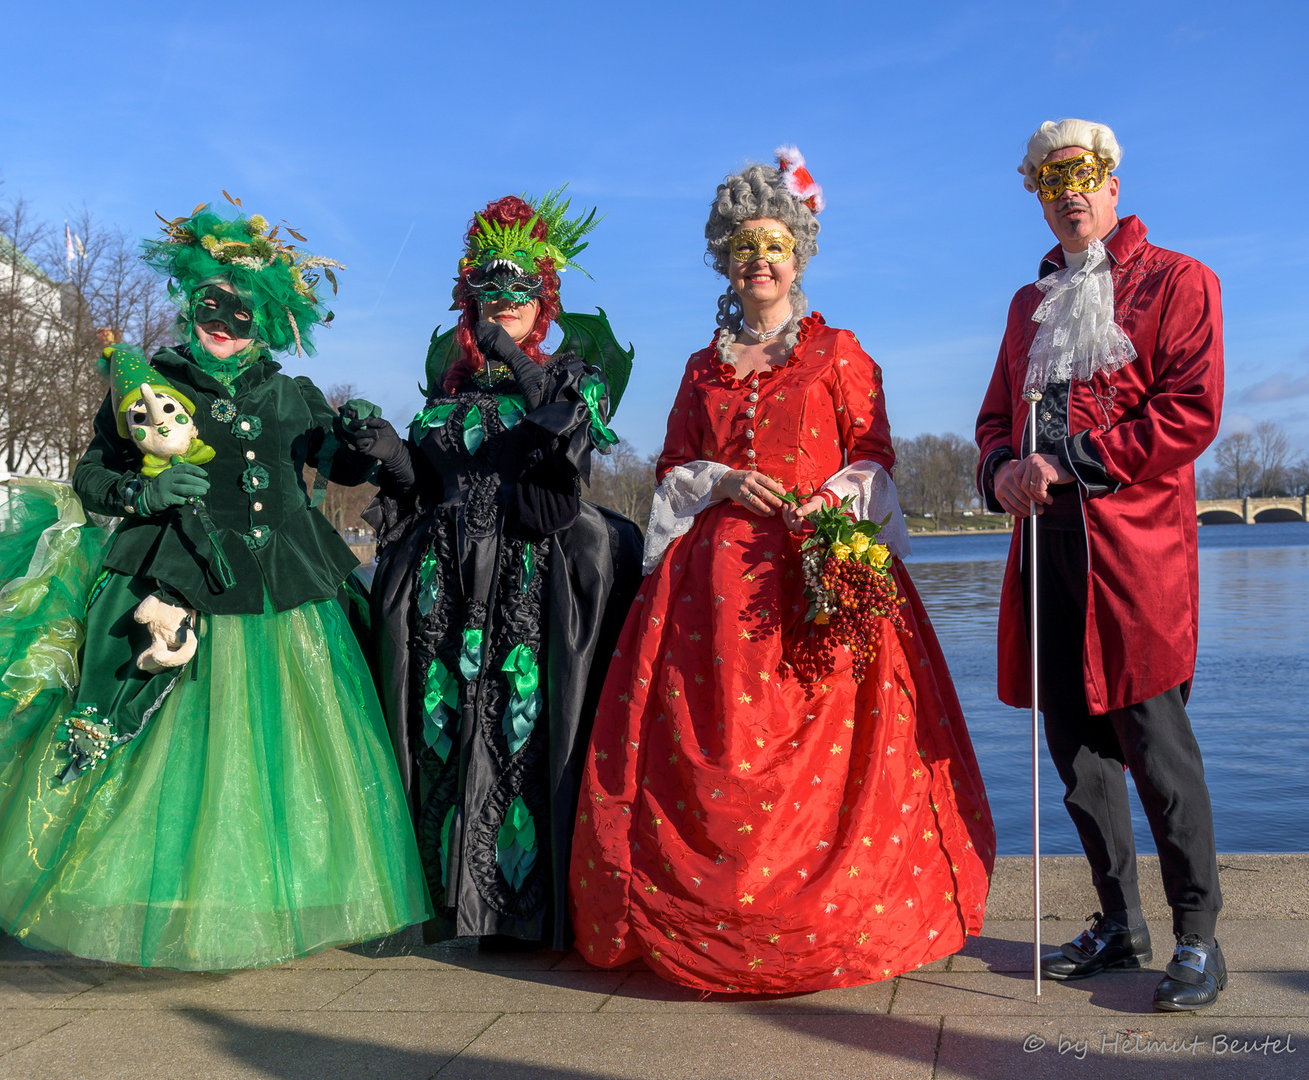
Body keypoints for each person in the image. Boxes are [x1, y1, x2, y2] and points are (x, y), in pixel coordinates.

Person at [0, 203, 430, 970]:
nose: (222, 322)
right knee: (174, 747)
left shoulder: (294, 394)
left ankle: (284, 892)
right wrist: (145, 494)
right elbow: (92, 475)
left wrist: (364, 445)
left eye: (241, 312)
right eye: (210, 306)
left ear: (270, 319)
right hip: (175, 582)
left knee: (298, 751)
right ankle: (159, 896)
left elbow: (335, 464)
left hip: (287, 595)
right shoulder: (145, 383)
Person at [570, 151, 996, 994]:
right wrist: (722, 481)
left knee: (840, 745)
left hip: (819, 574)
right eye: (742, 249)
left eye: (774, 246)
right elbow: (672, 469)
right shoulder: (701, 366)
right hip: (712, 596)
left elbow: (873, 455)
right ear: (725, 262)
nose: (759, 261)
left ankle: (831, 908)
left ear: (798, 255)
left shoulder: (839, 353)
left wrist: (827, 508)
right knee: (703, 740)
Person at [975, 119, 1226, 1012]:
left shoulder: (1179, 282)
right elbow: (994, 418)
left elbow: (1189, 412)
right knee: (1076, 752)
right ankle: (1120, 922)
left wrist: (1069, 462)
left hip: (1135, 560)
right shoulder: (1023, 305)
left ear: (1112, 182)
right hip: (1044, 557)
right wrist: (1001, 467)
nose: (1067, 193)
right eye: (1049, 182)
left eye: (1081, 175)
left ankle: (1197, 933)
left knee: (1157, 753)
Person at [353, 191, 643, 950]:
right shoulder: (449, 385)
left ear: (545, 299)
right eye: (488, 289)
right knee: (442, 730)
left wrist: (513, 356)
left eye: (521, 291)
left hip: (528, 576)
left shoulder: (576, 368)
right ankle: (451, 904)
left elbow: (565, 438)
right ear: (467, 296)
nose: (503, 302)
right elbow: (426, 482)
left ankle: (528, 912)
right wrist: (389, 454)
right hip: (445, 584)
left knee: (523, 731)